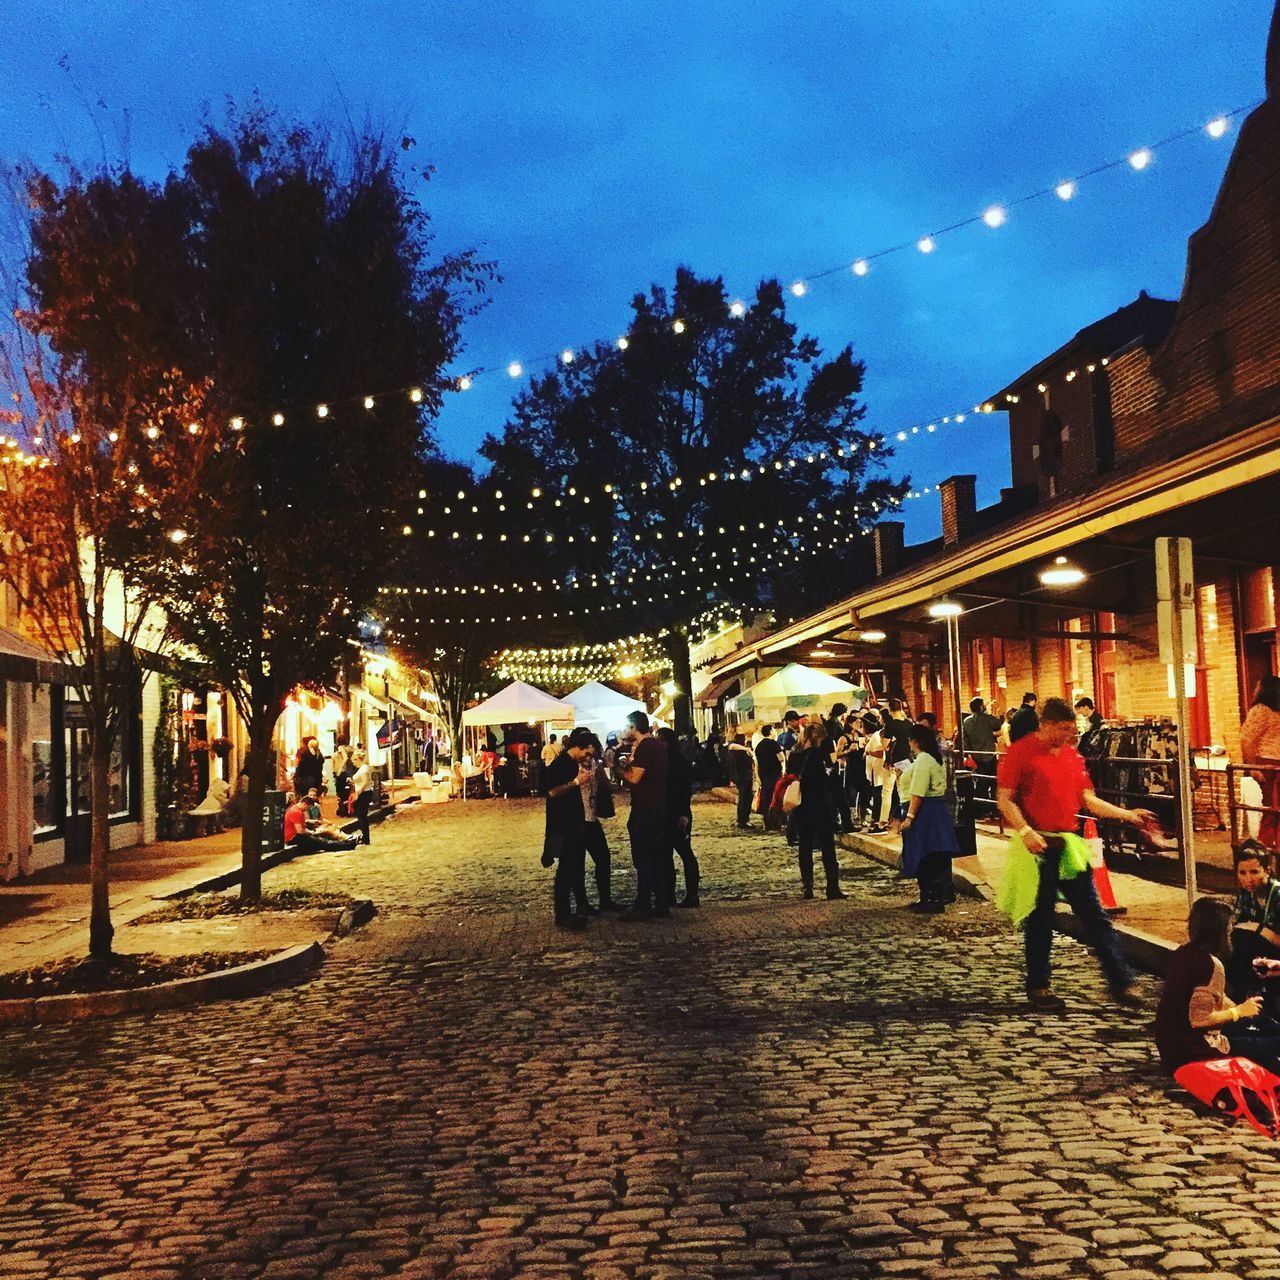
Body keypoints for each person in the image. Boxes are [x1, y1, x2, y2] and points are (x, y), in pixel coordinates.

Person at [996, 696, 1154, 1012]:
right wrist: (1026, 832)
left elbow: (1088, 800)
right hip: (1036, 848)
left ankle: (1121, 981)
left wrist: (1128, 815)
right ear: (1047, 725)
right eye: (1065, 728)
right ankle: (1039, 985)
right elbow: (1005, 799)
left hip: (1068, 846)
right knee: (1040, 919)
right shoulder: (1020, 753)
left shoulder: (1072, 756)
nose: (1071, 734)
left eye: (1073, 728)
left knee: (1095, 916)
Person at [1155, 897, 1280, 1075]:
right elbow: (1199, 1019)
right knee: (1271, 1043)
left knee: (1262, 1023)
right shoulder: (1211, 965)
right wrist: (1238, 1012)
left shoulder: (1183, 953)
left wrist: (1242, 1010)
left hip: (1172, 1047)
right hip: (1196, 1049)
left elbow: (1215, 996)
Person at [898, 724, 960, 913]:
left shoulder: (924, 759)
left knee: (927, 855)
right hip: (931, 811)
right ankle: (928, 896)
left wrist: (909, 817)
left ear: (914, 741)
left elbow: (919, 790)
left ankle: (933, 899)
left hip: (926, 813)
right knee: (930, 855)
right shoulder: (927, 758)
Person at [542, 726, 596, 930]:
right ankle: (563, 914)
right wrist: (576, 782)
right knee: (565, 870)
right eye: (587, 752)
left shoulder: (571, 763)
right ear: (578, 748)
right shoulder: (562, 764)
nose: (587, 757)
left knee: (573, 867)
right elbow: (552, 792)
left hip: (573, 824)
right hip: (563, 825)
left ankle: (570, 912)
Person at [620, 711, 670, 920]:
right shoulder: (658, 746)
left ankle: (644, 903)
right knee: (657, 856)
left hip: (645, 808)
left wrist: (618, 770)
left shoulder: (646, 747)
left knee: (643, 857)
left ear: (634, 727)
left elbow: (635, 778)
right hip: (657, 805)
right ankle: (661, 901)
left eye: (627, 726)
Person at [791, 723, 846, 901]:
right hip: (819, 805)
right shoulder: (816, 754)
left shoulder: (794, 754)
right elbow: (822, 779)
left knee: (805, 847)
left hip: (801, 806)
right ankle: (832, 888)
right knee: (827, 847)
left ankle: (808, 887)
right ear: (819, 738)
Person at [1228, 842, 1280, 1016]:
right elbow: (1234, 925)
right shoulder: (1245, 893)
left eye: (1254, 872)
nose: (1248, 879)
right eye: (1242, 872)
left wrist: (1258, 929)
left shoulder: (1277, 895)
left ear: (1267, 870)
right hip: (1257, 954)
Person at [658, 727, 700, 908]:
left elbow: (684, 790)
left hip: (678, 813)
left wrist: (683, 814)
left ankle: (692, 894)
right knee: (666, 854)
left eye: (662, 740)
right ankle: (669, 894)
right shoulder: (664, 760)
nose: (660, 744)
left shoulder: (678, 762)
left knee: (685, 853)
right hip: (665, 813)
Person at [581, 735, 621, 912]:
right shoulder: (571, 767)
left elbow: (606, 784)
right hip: (578, 820)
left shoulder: (594, 765)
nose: (590, 756)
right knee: (577, 863)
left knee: (603, 858)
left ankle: (605, 899)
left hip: (591, 817)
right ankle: (582, 904)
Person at [1241, 675, 1280, 851]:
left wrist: (1252, 766)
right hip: (1269, 763)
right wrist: (1253, 768)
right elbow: (1247, 740)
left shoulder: (1265, 710)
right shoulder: (1265, 710)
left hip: (1271, 762)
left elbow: (1247, 739)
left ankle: (1271, 848)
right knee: (1273, 810)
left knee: (1274, 810)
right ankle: (1266, 850)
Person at [961, 696, 1003, 807]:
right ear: (980, 707)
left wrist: (969, 754)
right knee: (993, 781)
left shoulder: (966, 721)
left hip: (976, 755)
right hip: (989, 754)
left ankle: (981, 807)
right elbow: (998, 724)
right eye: (984, 704)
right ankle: (993, 806)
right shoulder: (987, 719)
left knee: (981, 781)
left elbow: (965, 740)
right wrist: (994, 712)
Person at [283, 794, 357, 854]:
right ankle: (347, 845)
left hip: (294, 836)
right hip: (293, 837)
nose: (307, 810)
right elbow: (300, 830)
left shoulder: (296, 810)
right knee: (322, 843)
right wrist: (311, 832)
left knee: (322, 840)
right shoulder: (297, 812)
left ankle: (345, 843)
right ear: (305, 804)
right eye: (308, 807)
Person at [863, 712, 893, 834]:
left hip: (881, 768)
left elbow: (881, 752)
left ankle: (880, 821)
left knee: (883, 794)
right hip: (881, 768)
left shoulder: (880, 734)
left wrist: (869, 752)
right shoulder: (879, 734)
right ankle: (882, 819)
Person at [754, 725, 784, 822]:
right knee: (775, 797)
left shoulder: (759, 746)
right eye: (774, 729)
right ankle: (775, 820)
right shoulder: (774, 744)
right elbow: (781, 758)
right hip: (774, 773)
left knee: (766, 797)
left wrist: (757, 776)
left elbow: (757, 763)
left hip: (763, 774)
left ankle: (767, 820)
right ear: (770, 732)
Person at [727, 732, 756, 830]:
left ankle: (742, 820)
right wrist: (748, 750)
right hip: (744, 778)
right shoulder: (741, 752)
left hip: (740, 778)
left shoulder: (734, 752)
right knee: (745, 799)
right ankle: (743, 820)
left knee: (744, 798)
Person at [349, 749, 374, 846]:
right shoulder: (362, 769)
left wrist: (357, 793)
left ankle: (365, 838)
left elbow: (365, 782)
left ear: (359, 759)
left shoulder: (363, 769)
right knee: (361, 816)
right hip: (363, 793)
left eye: (354, 760)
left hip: (363, 794)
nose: (354, 763)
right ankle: (365, 836)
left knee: (362, 816)